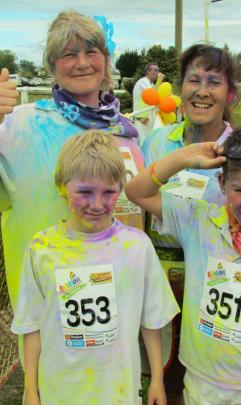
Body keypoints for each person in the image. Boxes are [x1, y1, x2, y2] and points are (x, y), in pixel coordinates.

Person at [126, 124, 241, 405]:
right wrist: (184, 157)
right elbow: (137, 192)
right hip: (199, 384)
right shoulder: (200, 221)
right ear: (221, 184)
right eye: (239, 190)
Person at [11, 129, 180, 405]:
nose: (97, 204)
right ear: (63, 186)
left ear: (120, 189)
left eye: (109, 192)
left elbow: (152, 320)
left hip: (118, 391)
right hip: (60, 391)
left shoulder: (137, 247)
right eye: (85, 192)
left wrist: (157, 380)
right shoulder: (42, 249)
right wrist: (31, 389)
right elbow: (32, 326)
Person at [0, 10, 144, 310]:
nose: (81, 63)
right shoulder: (18, 126)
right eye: (68, 54)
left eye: (91, 51)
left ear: (106, 61)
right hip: (46, 313)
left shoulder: (129, 133)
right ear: (53, 65)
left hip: (117, 305)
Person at [140, 43, 241, 402]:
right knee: (157, 381)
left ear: (229, 93)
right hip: (157, 282)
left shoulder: (240, 149)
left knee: (202, 384)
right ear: (179, 87)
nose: (201, 90)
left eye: (213, 81)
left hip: (212, 286)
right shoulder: (154, 142)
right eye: (193, 79)